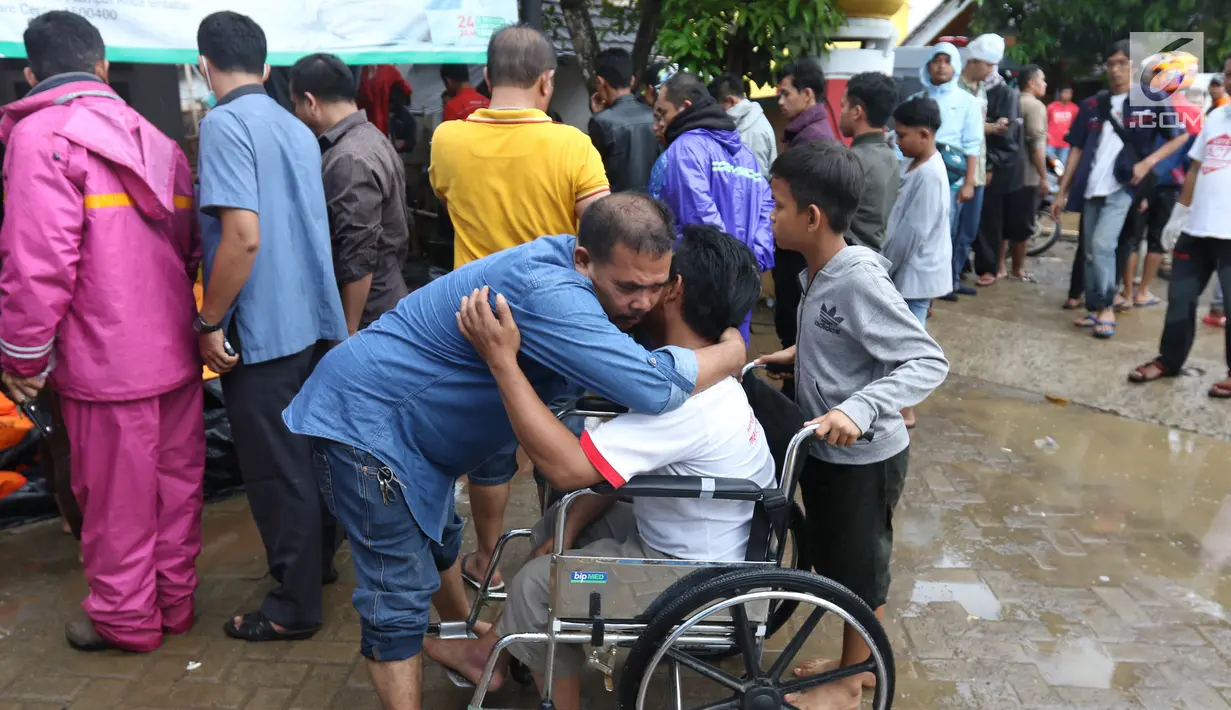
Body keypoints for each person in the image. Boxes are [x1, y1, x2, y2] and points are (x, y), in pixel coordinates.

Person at [282, 194, 749, 710]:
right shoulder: (554, 295)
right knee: (395, 595)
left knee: (437, 540)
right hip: (367, 424)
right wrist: (733, 351)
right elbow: (654, 389)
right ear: (583, 260)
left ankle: (473, 648)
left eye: (656, 287)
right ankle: (466, 652)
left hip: (416, 433)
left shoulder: (582, 279)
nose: (642, 303)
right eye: (629, 287)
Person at [422, 224, 772, 710]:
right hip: (700, 538)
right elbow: (618, 471)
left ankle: (522, 672)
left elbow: (566, 469)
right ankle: (492, 654)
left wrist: (503, 361)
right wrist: (566, 531)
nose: (638, 299)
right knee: (560, 522)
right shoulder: (697, 374)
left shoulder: (679, 405)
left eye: (652, 283)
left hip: (687, 576)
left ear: (675, 290)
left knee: (537, 586)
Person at [0, 11, 203, 652]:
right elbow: (191, 247)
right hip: (172, 350)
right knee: (175, 489)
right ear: (103, 67)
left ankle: (124, 620)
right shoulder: (156, 138)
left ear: (31, 74)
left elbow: (37, 263)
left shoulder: (40, 138)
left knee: (115, 503)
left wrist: (23, 354)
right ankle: (173, 605)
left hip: (105, 360)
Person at [758, 141, 949, 709]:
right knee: (842, 563)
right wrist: (798, 357)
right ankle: (856, 664)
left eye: (777, 206)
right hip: (829, 449)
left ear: (811, 217)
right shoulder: (815, 271)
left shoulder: (858, 278)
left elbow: (927, 360)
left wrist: (857, 408)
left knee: (860, 574)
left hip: (864, 457)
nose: (770, 216)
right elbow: (842, 338)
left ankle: (851, 681)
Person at [429, 25, 610, 593]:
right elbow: (602, 232)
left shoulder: (447, 140)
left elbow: (445, 198)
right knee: (556, 438)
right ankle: (556, 548)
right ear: (546, 81)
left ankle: (485, 558)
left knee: (488, 447)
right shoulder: (573, 145)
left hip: (476, 320)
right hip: (552, 323)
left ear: (486, 76)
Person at [195, 11, 348, 642]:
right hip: (314, 319)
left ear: (203, 65)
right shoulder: (294, 126)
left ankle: (294, 606)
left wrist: (209, 321)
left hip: (264, 329)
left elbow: (242, 237)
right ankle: (318, 568)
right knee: (315, 455)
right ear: (263, 65)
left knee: (276, 467)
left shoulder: (224, 125)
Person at [1052, 40, 1188, 339]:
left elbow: (1178, 137)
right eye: (1111, 63)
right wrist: (1061, 191)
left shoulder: (1152, 100)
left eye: (1123, 63)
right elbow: (1075, 149)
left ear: (1136, 67)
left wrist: (1148, 163)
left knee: (1103, 245)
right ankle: (1094, 305)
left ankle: (1106, 308)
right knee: (1089, 251)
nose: (1115, 69)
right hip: (1090, 187)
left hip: (1123, 186)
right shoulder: (1092, 104)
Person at [1128, 54, 1231, 398]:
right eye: (1228, 74)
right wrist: (1179, 215)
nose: (1230, 80)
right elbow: (1194, 170)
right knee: (1180, 300)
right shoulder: (1216, 118)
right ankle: (1168, 360)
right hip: (1197, 229)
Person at [290, 53, 411, 335]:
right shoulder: (372, 136)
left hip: (370, 314)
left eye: (295, 105)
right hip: (387, 295)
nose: (296, 114)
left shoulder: (348, 158)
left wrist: (347, 331)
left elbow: (359, 256)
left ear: (311, 102)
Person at [649, 71, 775, 340]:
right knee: (731, 368)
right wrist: (749, 268)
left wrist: (725, 269)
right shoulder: (747, 157)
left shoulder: (684, 150)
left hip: (694, 297)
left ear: (684, 108)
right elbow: (768, 216)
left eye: (661, 113)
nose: (657, 124)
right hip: (741, 293)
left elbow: (700, 223)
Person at [881, 97, 953, 429]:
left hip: (915, 272)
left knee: (910, 343)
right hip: (909, 270)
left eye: (902, 135)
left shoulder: (931, 175)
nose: (898, 141)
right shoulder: (915, 164)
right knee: (904, 338)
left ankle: (906, 408)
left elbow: (912, 233)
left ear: (924, 134)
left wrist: (885, 269)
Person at [911, 43, 982, 301]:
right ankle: (922, 286)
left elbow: (973, 145)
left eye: (947, 61)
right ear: (928, 64)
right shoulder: (916, 101)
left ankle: (942, 284)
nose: (941, 65)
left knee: (947, 233)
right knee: (919, 231)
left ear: (955, 66)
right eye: (936, 60)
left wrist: (969, 182)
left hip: (952, 178)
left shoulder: (968, 102)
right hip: (917, 175)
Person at [941, 34, 1006, 298]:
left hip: (976, 171)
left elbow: (976, 131)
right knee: (950, 229)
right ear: (974, 61)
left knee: (967, 232)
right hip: (957, 171)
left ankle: (954, 278)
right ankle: (942, 283)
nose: (991, 71)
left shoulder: (980, 90)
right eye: (988, 65)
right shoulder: (954, 88)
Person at [976, 64, 1049, 283]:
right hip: (1025, 175)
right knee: (1021, 228)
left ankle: (998, 267)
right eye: (1042, 80)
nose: (1045, 84)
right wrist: (1044, 176)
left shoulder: (1009, 98)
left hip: (1002, 172)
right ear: (1032, 82)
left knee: (1001, 225)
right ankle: (1017, 269)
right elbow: (1036, 144)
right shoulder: (1034, 106)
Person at [838, 71, 902, 252]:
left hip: (849, 257)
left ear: (857, 111)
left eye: (843, 106)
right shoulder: (891, 156)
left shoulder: (852, 161)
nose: (840, 113)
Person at [588, 48, 658, 193]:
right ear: (632, 81)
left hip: (618, 207)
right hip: (654, 205)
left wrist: (599, 115)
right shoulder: (654, 115)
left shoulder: (601, 122)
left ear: (600, 81)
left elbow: (594, 171)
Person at [709, 71, 777, 179]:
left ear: (731, 101)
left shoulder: (752, 130)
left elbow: (754, 181)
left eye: (720, 109)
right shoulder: (753, 119)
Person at [357, 64, 412, 136]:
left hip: (364, 121)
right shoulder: (388, 70)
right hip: (378, 120)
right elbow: (406, 90)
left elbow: (406, 90)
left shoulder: (357, 70)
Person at [1048, 87, 1078, 165]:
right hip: (1051, 141)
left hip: (1065, 143)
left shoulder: (1075, 108)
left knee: (1061, 166)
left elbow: (1077, 124)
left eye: (1070, 93)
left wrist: (1071, 131)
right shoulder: (1051, 107)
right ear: (1060, 94)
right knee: (1049, 165)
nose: (1068, 94)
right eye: (1066, 92)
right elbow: (1045, 121)